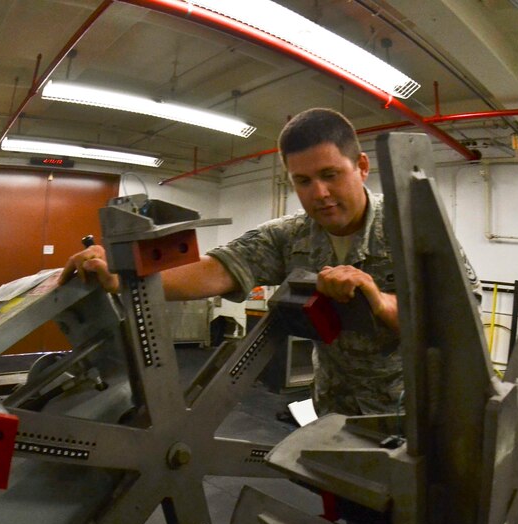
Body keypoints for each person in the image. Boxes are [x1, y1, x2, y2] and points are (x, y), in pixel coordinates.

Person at [64, 107, 478, 416]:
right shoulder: (289, 234)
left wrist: (377, 299)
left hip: (414, 418)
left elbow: (459, 321)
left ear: (362, 167)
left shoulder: (415, 228)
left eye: (331, 174)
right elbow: (217, 270)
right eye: (303, 181)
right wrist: (123, 275)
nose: (318, 193)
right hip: (334, 411)